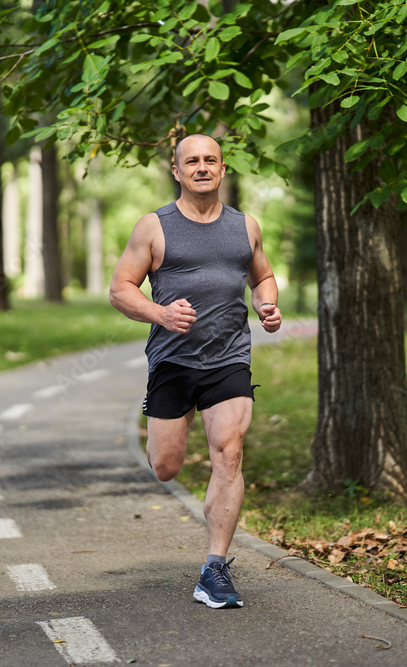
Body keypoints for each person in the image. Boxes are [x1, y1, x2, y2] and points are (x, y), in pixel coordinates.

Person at [109, 133, 282, 609]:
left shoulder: (245, 226)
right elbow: (121, 289)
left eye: (211, 160)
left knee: (229, 451)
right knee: (167, 467)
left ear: (223, 170)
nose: (202, 167)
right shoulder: (154, 227)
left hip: (228, 357)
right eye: (192, 161)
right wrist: (161, 314)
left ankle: (215, 567)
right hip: (172, 360)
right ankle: (159, 429)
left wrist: (266, 305)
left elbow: (262, 276)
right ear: (176, 170)